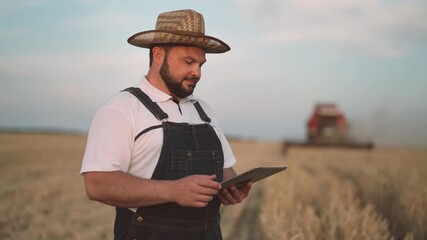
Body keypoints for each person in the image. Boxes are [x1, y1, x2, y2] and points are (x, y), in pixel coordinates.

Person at [80, 9, 252, 240]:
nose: (197, 72)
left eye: (201, 64)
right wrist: (173, 191)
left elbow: (225, 170)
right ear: (158, 54)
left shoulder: (204, 110)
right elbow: (97, 184)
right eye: (188, 62)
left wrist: (232, 186)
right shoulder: (121, 108)